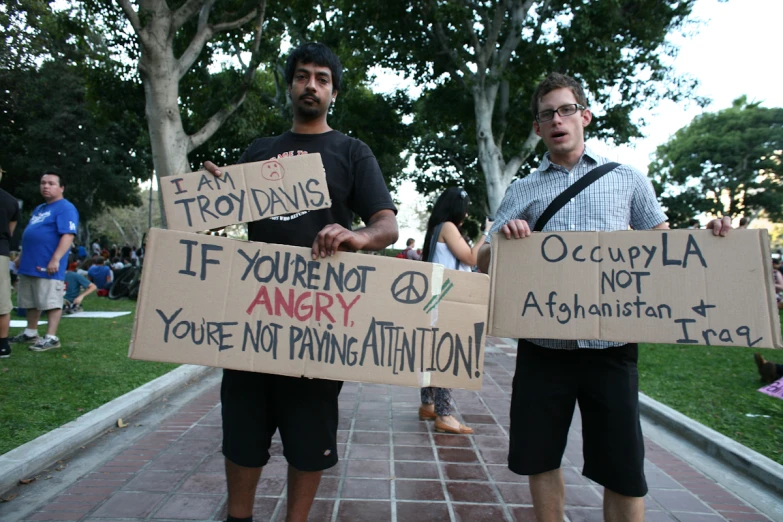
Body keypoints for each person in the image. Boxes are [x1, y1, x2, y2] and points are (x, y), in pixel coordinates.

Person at [476, 72, 732, 522]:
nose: (557, 120)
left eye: (566, 109)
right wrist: (505, 242)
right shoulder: (522, 190)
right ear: (537, 128)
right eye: (546, 114)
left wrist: (713, 242)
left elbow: (664, 248)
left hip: (610, 349)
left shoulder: (628, 179)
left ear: (584, 116)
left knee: (624, 471)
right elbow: (481, 259)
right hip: (543, 349)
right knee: (540, 459)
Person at [203, 43, 398, 522]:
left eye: (323, 78)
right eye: (303, 76)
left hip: (320, 322)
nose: (311, 85)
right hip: (252, 316)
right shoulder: (258, 152)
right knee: (242, 433)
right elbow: (220, 224)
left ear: (333, 92)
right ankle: (239, 517)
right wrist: (208, 200)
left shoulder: (352, 152)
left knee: (309, 439)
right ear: (289, 85)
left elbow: (387, 226)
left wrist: (356, 236)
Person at [417, 187, 488, 434]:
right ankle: (444, 414)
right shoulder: (448, 226)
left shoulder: (435, 227)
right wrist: (485, 234)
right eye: (465, 210)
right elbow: (470, 258)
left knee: (432, 353)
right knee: (447, 354)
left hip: (436, 296)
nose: (466, 215)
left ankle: (428, 404)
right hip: (448, 297)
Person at [11, 171, 79, 351]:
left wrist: (55, 259)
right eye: (43, 183)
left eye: (51, 183)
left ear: (61, 188)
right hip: (29, 264)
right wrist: (20, 256)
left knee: (51, 301)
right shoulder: (40, 208)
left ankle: (51, 337)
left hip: (47, 265)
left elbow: (68, 235)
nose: (46, 186)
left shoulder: (66, 208)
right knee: (30, 301)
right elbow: (31, 235)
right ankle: (30, 333)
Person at [0, 167, 20, 359]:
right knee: (2, 302)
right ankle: (3, 344)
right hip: (1, 253)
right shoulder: (11, 201)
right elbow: (10, 231)